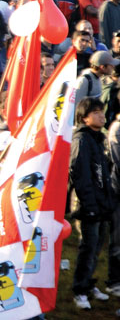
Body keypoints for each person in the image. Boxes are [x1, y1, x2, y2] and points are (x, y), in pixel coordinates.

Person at [71, 97, 114, 310]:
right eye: (96, 112)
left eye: (102, 111)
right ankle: (79, 290)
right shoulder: (81, 140)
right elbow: (80, 175)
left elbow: (102, 173)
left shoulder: (98, 138)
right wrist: (89, 206)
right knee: (87, 248)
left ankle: (88, 284)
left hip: (100, 204)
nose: (101, 115)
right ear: (84, 117)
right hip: (87, 205)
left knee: (97, 247)